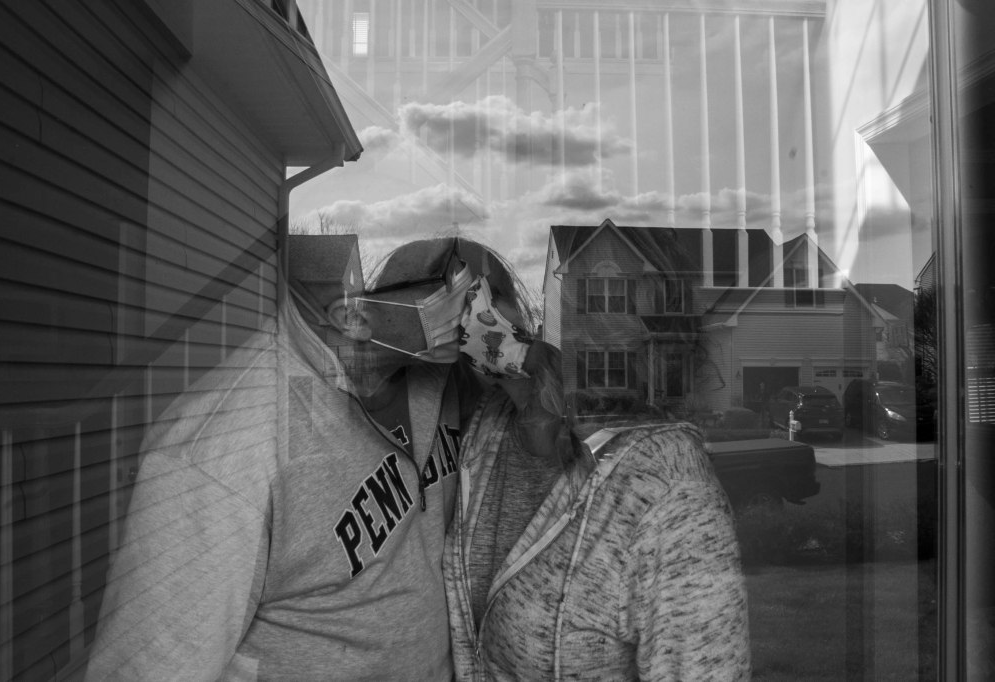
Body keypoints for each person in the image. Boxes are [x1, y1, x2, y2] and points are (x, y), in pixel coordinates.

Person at [86, 237, 472, 680]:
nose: (466, 283)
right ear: (354, 317)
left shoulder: (436, 370)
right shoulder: (222, 455)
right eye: (444, 276)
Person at [444, 253, 751, 681]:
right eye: (448, 299)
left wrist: (525, 356)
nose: (469, 314)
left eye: (484, 295)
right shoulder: (484, 427)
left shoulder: (672, 491)